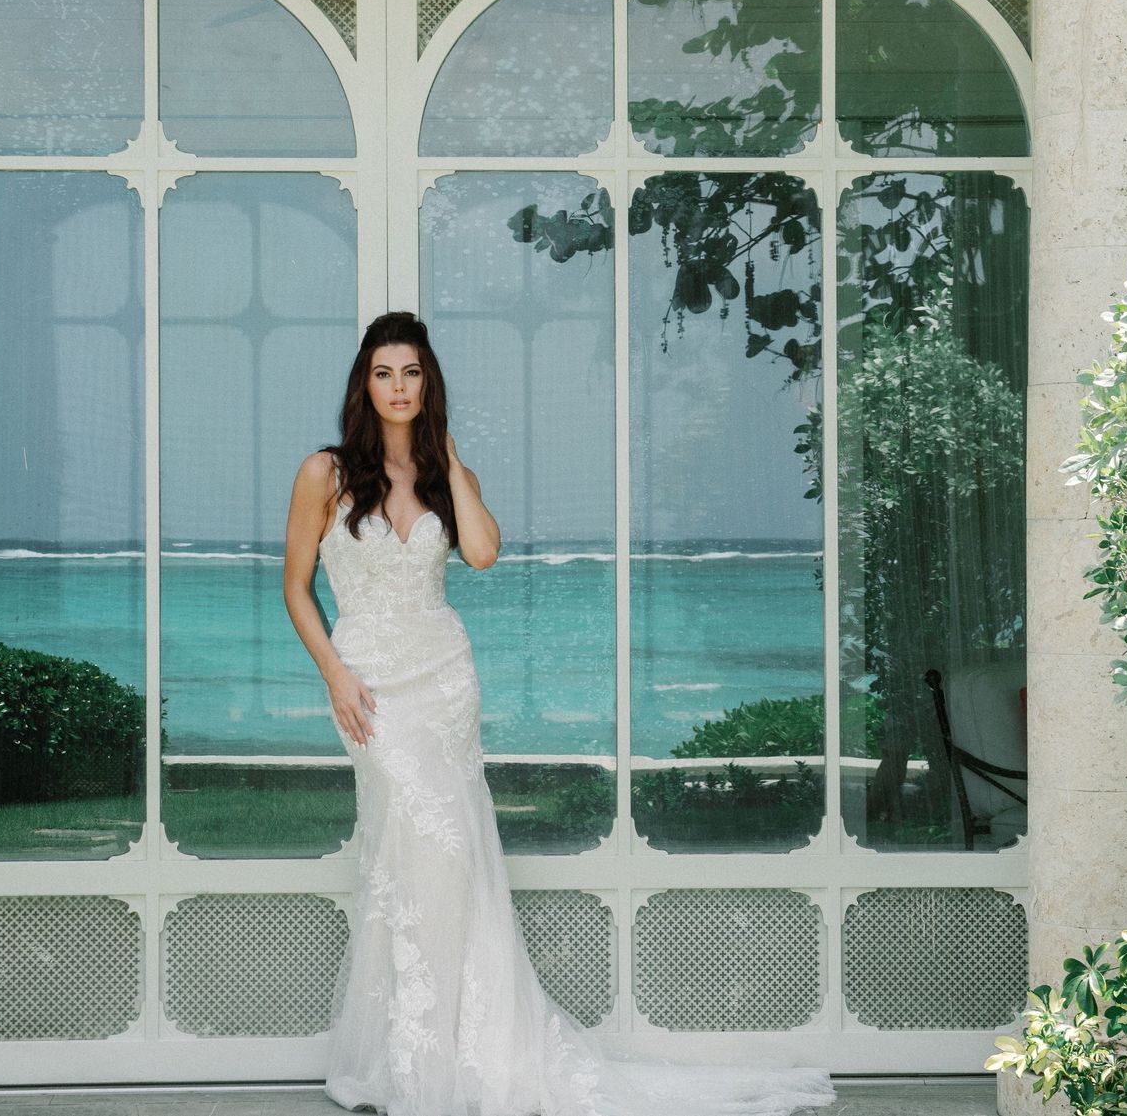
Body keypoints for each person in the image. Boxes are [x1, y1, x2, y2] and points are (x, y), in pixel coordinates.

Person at [283, 311, 836, 1116]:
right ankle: (411, 1055)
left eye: (412, 373)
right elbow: (296, 585)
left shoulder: (444, 474)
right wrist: (333, 671)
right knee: (416, 850)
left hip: (444, 680)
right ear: (362, 385)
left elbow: (480, 552)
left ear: (428, 383)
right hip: (368, 685)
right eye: (383, 373)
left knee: (452, 859)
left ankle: (453, 1054)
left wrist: (450, 457)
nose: (398, 387)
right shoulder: (324, 473)